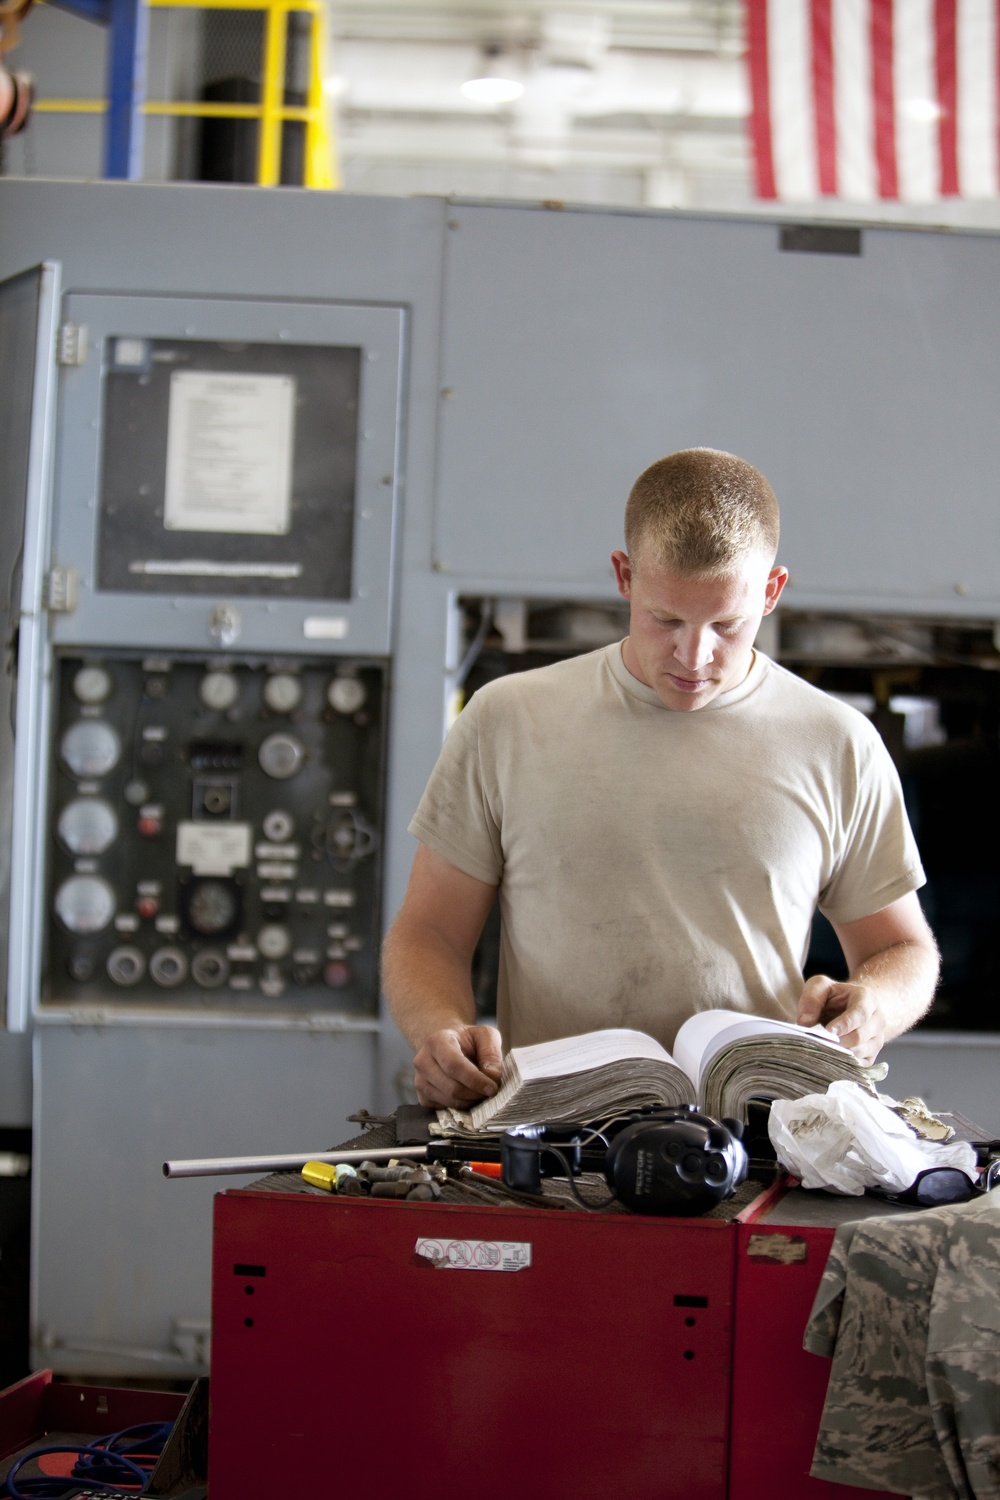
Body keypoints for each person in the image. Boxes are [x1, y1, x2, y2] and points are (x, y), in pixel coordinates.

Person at [382, 448, 940, 1108]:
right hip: (553, 1136)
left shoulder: (837, 743)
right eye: (666, 619)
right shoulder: (507, 718)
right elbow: (429, 934)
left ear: (771, 591)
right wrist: (441, 1031)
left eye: (726, 625)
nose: (695, 656)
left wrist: (875, 1004)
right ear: (624, 576)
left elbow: (905, 949)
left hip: (755, 1137)